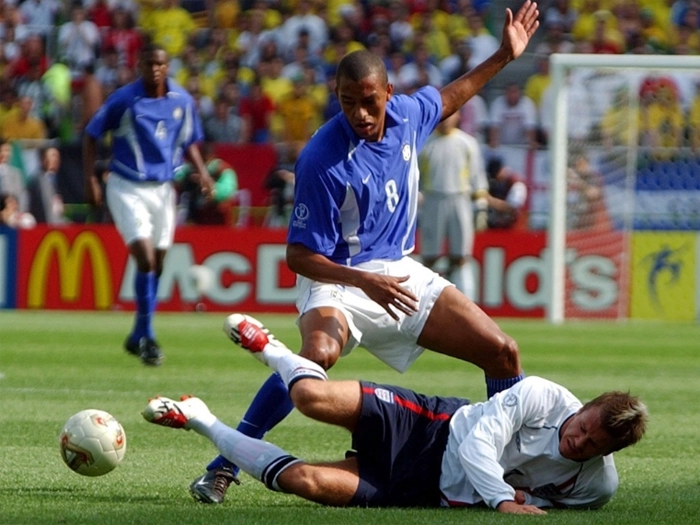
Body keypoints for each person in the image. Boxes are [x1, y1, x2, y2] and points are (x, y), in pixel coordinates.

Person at [189, 1, 540, 505]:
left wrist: (505, 55)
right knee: (316, 358)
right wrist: (362, 283)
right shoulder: (321, 159)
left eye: (369, 101)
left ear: (388, 94)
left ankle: (509, 470)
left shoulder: (409, 116)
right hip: (337, 277)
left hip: (397, 270)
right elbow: (298, 256)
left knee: (502, 351)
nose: (359, 113)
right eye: (347, 101)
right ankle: (224, 465)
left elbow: (452, 95)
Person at [143, 326, 648, 513]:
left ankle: (198, 417)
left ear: (608, 453)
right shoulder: (542, 395)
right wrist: (501, 499)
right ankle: (273, 349)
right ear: (583, 407)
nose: (577, 441)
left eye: (591, 445)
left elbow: (545, 501)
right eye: (583, 426)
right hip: (430, 426)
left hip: (418, 489)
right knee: (313, 401)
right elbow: (478, 448)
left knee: (305, 482)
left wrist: (524, 499)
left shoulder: (596, 488)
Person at [83, 43, 214, 366]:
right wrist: (91, 179)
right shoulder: (124, 100)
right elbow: (91, 134)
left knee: (160, 260)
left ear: (167, 66)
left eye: (159, 63)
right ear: (139, 65)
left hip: (163, 189)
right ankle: (148, 336)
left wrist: (201, 172)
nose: (154, 69)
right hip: (126, 185)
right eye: (148, 63)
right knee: (145, 258)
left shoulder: (182, 101)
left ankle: (136, 334)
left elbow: (189, 142)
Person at [418, 111, 489, 299]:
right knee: (430, 256)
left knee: (461, 256)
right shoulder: (424, 143)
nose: (445, 120)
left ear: (458, 116)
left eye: (449, 115)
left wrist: (480, 205)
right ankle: (424, 302)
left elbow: (476, 175)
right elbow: (415, 177)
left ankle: (468, 302)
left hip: (460, 198)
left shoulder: (467, 143)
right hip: (432, 199)